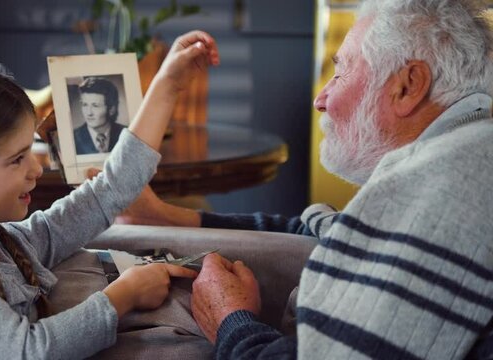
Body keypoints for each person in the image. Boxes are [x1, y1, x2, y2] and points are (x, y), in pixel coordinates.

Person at [119, 0, 493, 358]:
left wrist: (230, 321)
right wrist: (170, 217)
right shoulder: (463, 150)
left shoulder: (447, 182)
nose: (321, 99)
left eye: (342, 70)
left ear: (408, 85)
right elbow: (339, 231)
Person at [0, 31, 219, 359]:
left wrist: (168, 84)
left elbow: (109, 191)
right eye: (17, 159)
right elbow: (26, 351)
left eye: (31, 151)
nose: (36, 169)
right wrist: (123, 296)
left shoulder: (12, 245)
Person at [73, 77, 126, 154]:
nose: (89, 113)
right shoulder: (73, 138)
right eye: (85, 105)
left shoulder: (125, 134)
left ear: (111, 109)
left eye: (95, 106)